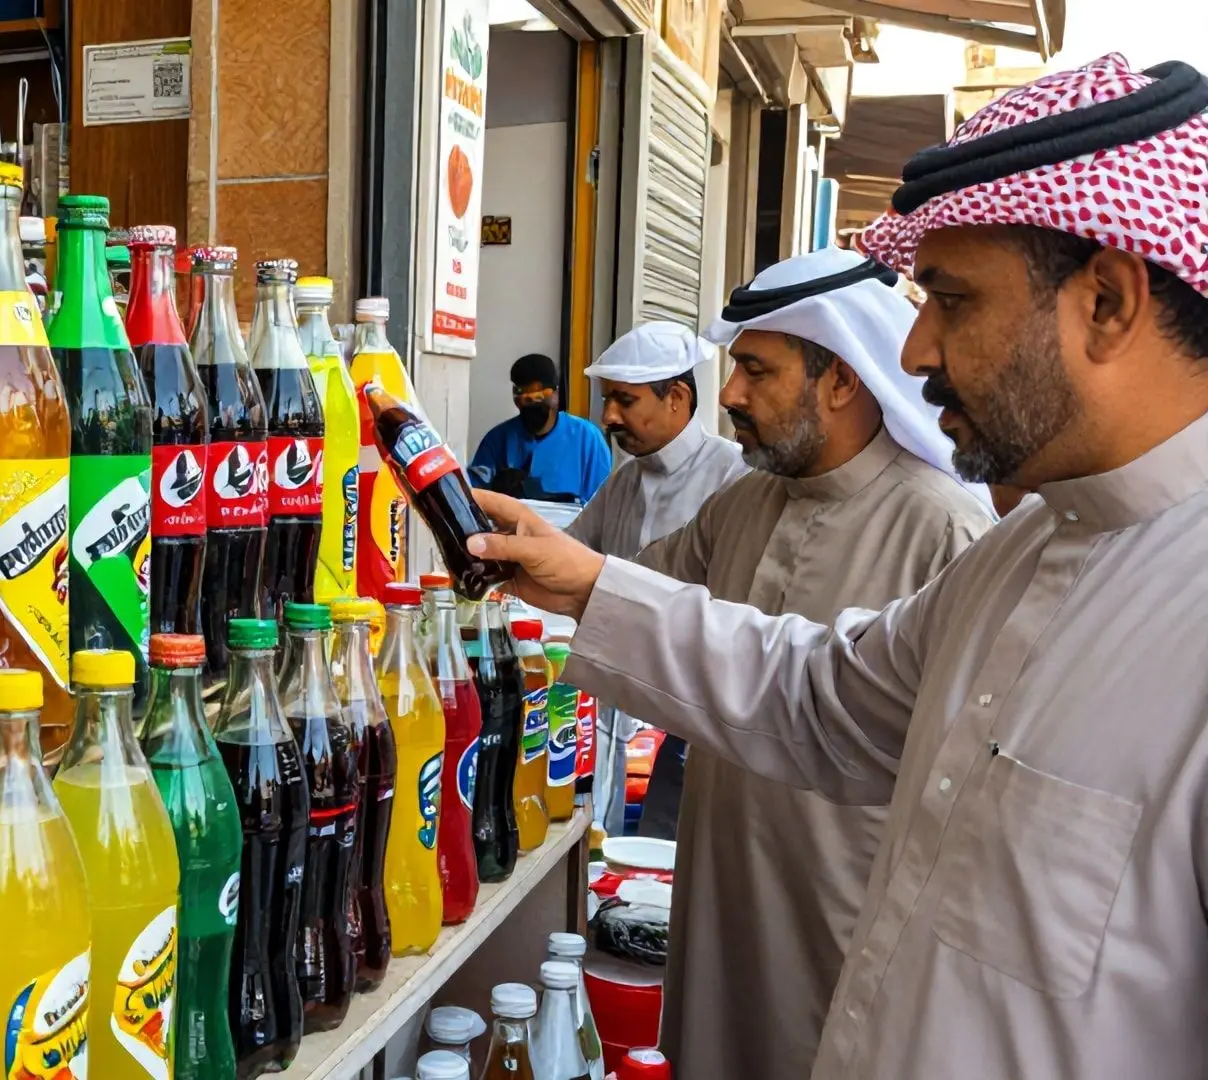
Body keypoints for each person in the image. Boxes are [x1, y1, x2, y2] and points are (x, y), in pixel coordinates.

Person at [466, 54, 1208, 1080]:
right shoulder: (1027, 553)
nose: (917, 352)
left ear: (1110, 305)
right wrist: (584, 582)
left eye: (952, 301)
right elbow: (814, 694)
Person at [550, 248, 999, 1080]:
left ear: (842, 380)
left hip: (841, 911)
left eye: (755, 370)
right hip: (720, 882)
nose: (729, 396)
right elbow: (631, 592)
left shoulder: (944, 530)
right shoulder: (746, 502)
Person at [566, 321, 748, 836]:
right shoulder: (624, 480)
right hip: (611, 704)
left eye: (624, 400)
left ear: (677, 398)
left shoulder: (733, 477)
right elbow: (573, 553)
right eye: (607, 400)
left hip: (687, 716)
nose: (609, 417)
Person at [469, 352, 610, 501]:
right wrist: (494, 490)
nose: (533, 405)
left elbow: (603, 503)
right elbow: (473, 495)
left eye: (539, 396)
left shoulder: (587, 439)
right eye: (525, 397)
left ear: (556, 394)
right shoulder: (498, 440)